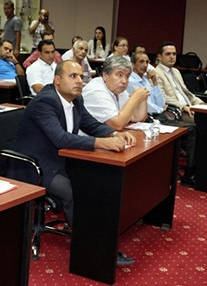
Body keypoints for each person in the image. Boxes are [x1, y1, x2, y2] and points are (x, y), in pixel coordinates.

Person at [8, 60, 136, 265]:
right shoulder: (45, 101)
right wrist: (101, 143)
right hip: (33, 165)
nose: (79, 81)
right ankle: (93, 249)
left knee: (95, 180)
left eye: (81, 77)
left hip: (60, 160)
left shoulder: (76, 100)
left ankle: (98, 239)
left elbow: (91, 124)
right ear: (57, 80)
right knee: (72, 191)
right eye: (73, 76)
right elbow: (60, 138)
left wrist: (113, 133)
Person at [127, 51, 197, 187]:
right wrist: (160, 109)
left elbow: (161, 101)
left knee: (191, 128)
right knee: (191, 129)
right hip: (146, 118)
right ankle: (189, 175)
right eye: (141, 62)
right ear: (133, 64)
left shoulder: (146, 79)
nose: (145, 65)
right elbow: (149, 106)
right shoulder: (131, 81)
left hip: (159, 116)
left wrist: (154, 81)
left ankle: (190, 172)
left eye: (147, 62)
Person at [82, 55, 149, 130]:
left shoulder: (118, 90)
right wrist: (135, 98)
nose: (124, 81)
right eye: (119, 75)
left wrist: (142, 98)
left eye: (127, 76)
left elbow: (136, 117)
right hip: (87, 136)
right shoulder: (96, 90)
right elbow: (117, 124)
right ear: (105, 75)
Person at [154, 41, 204, 122]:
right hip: (177, 110)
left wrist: (200, 103)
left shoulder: (176, 71)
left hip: (189, 106)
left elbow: (186, 93)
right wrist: (183, 106)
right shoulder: (156, 73)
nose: (172, 57)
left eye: (174, 54)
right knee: (205, 121)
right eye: (168, 54)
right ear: (159, 57)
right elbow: (162, 97)